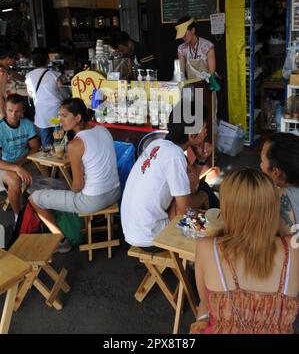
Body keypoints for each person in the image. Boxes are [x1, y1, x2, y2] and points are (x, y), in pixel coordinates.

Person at [192, 168, 299, 335]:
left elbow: (205, 304)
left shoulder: (207, 248)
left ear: (227, 209)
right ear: (272, 209)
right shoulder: (293, 250)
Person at [121, 101, 217, 251]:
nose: (206, 131)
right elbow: (185, 212)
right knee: (207, 216)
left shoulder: (158, 144)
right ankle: (211, 248)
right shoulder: (174, 156)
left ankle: (216, 231)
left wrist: (201, 159)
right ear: (192, 135)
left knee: (199, 192)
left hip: (133, 230)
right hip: (152, 237)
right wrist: (203, 197)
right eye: (204, 127)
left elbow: (191, 184)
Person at [29, 98, 121, 253]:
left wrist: (69, 200)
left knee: (34, 198)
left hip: (92, 200)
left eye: (64, 116)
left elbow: (78, 186)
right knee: (60, 187)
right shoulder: (103, 130)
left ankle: (62, 241)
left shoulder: (75, 144)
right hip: (115, 192)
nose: (60, 120)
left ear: (77, 118)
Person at [0, 94, 39, 220]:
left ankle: (38, 211)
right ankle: (18, 217)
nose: (13, 114)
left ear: (23, 111)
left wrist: (21, 163)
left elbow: (35, 147)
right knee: (15, 181)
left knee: (44, 177)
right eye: (10, 110)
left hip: (24, 161)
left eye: (17, 111)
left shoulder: (26, 124)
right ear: (5, 109)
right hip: (5, 165)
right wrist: (16, 168)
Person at [260, 132, 299, 236]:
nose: (260, 165)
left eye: (262, 161)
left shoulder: (283, 197)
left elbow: (289, 246)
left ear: (276, 172)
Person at [25, 47, 65, 148]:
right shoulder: (53, 74)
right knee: (59, 139)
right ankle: (60, 161)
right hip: (55, 113)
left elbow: (30, 94)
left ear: (33, 62)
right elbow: (63, 90)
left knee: (46, 142)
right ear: (47, 60)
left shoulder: (29, 76)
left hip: (42, 115)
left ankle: (48, 162)